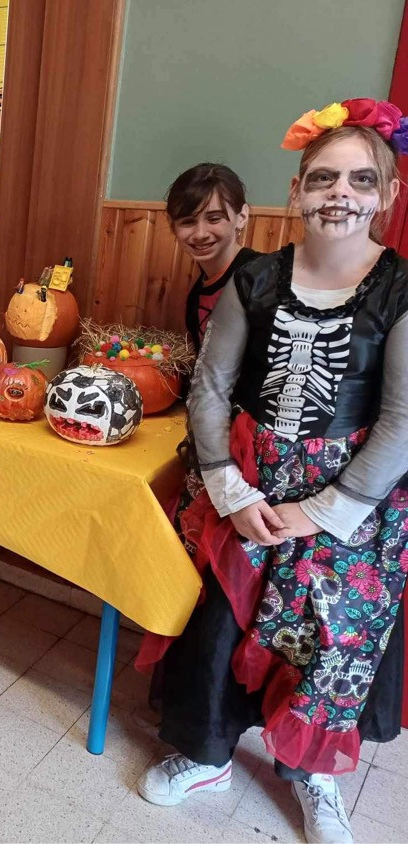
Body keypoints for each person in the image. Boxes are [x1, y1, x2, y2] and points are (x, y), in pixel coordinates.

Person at [136, 98, 408, 844]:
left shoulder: (399, 290)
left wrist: (323, 510)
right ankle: (207, 753)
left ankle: (311, 774)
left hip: (351, 502)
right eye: (321, 178)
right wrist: (228, 487)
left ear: (385, 195)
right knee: (221, 623)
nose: (338, 195)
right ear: (295, 193)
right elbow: (211, 389)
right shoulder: (253, 279)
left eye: (359, 180)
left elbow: (402, 418)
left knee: (330, 640)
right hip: (247, 484)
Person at [165, 163, 260, 353]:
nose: (200, 233)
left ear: (241, 216)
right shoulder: (196, 295)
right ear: (171, 224)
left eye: (214, 218)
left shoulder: (262, 279)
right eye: (188, 222)